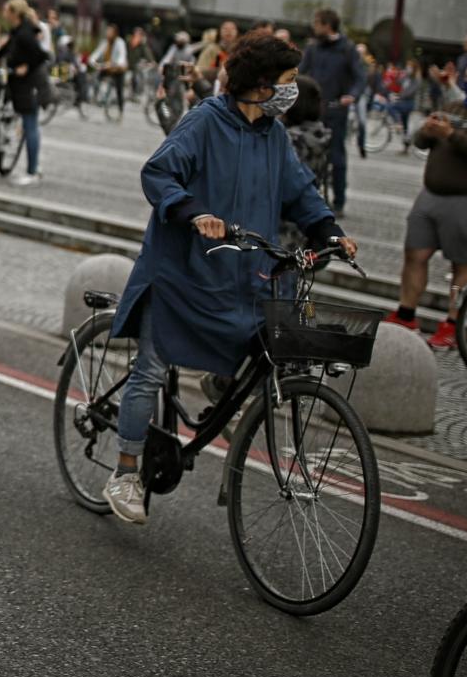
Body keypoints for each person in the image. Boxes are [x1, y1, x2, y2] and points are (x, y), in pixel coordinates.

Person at [104, 34, 356, 524]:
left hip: (241, 273)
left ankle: (222, 381)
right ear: (261, 86)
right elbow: (158, 173)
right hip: (182, 271)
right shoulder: (204, 121)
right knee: (151, 369)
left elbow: (300, 191)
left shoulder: (274, 136)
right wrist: (194, 212)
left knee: (260, 341)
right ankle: (126, 471)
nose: (292, 92)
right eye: (286, 83)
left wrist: (329, 229)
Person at [388, 57, 467, 348]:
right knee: (415, 255)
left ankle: (453, 322)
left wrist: (451, 135)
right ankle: (406, 313)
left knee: (462, 265)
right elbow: (421, 142)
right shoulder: (452, 107)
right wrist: (426, 130)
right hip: (431, 196)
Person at [299, 8, 365, 215]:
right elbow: (300, 72)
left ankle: (339, 202)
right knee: (304, 151)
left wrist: (351, 95)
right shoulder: (313, 48)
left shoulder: (347, 48)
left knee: (336, 157)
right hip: (312, 109)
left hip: (336, 110)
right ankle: (307, 197)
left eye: (317, 23)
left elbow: (359, 77)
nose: (314, 27)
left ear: (327, 25)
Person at [0, 0, 51, 187]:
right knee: (28, 125)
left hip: (29, 87)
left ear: (14, 13)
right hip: (20, 86)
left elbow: (43, 55)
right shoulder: (18, 31)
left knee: (30, 126)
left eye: (6, 9)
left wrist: (26, 66)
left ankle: (32, 171)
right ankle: (32, 167)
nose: (3, 13)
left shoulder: (25, 33)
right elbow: (7, 48)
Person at [92, 22, 129, 110]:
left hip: (118, 69)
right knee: (96, 78)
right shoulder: (105, 42)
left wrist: (114, 63)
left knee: (119, 90)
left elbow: (122, 57)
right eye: (107, 31)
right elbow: (97, 53)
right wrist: (93, 61)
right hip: (107, 68)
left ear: (115, 33)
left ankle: (120, 110)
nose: (108, 33)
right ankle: (97, 98)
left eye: (110, 32)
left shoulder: (120, 43)